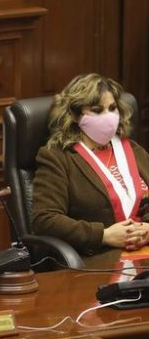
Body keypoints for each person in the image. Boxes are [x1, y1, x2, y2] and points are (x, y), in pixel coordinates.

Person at [32, 74, 149, 262]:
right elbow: (45, 219)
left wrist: (146, 229)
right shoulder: (57, 157)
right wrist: (103, 235)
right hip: (99, 256)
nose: (109, 116)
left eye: (112, 108)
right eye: (97, 110)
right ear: (76, 116)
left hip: (144, 250)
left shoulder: (132, 149)